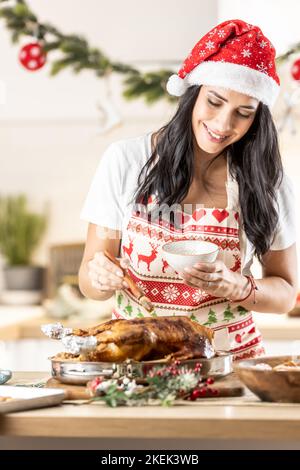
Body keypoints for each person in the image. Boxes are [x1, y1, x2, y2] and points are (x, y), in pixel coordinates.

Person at [79, 19, 298, 360]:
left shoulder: (266, 179)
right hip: (137, 363)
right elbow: (89, 282)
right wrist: (100, 277)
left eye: (243, 113)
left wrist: (239, 287)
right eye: (214, 102)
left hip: (230, 366)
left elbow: (285, 292)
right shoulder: (127, 160)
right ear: (192, 94)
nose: (224, 125)